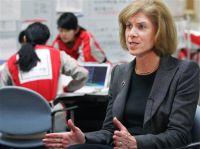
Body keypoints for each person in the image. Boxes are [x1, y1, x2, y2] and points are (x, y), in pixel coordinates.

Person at [42, 0, 200, 148]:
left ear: (160, 32)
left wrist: (136, 143)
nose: (131, 33)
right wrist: (83, 138)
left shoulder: (184, 72)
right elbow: (109, 132)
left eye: (141, 27)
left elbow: (178, 135)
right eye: (128, 26)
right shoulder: (119, 72)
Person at [0, 22, 88, 132]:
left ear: (25, 38)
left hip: (18, 127)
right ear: (46, 39)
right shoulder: (57, 55)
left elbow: (3, 93)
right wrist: (69, 88)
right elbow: (83, 74)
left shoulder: (11, 61)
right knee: (59, 106)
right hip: (51, 127)